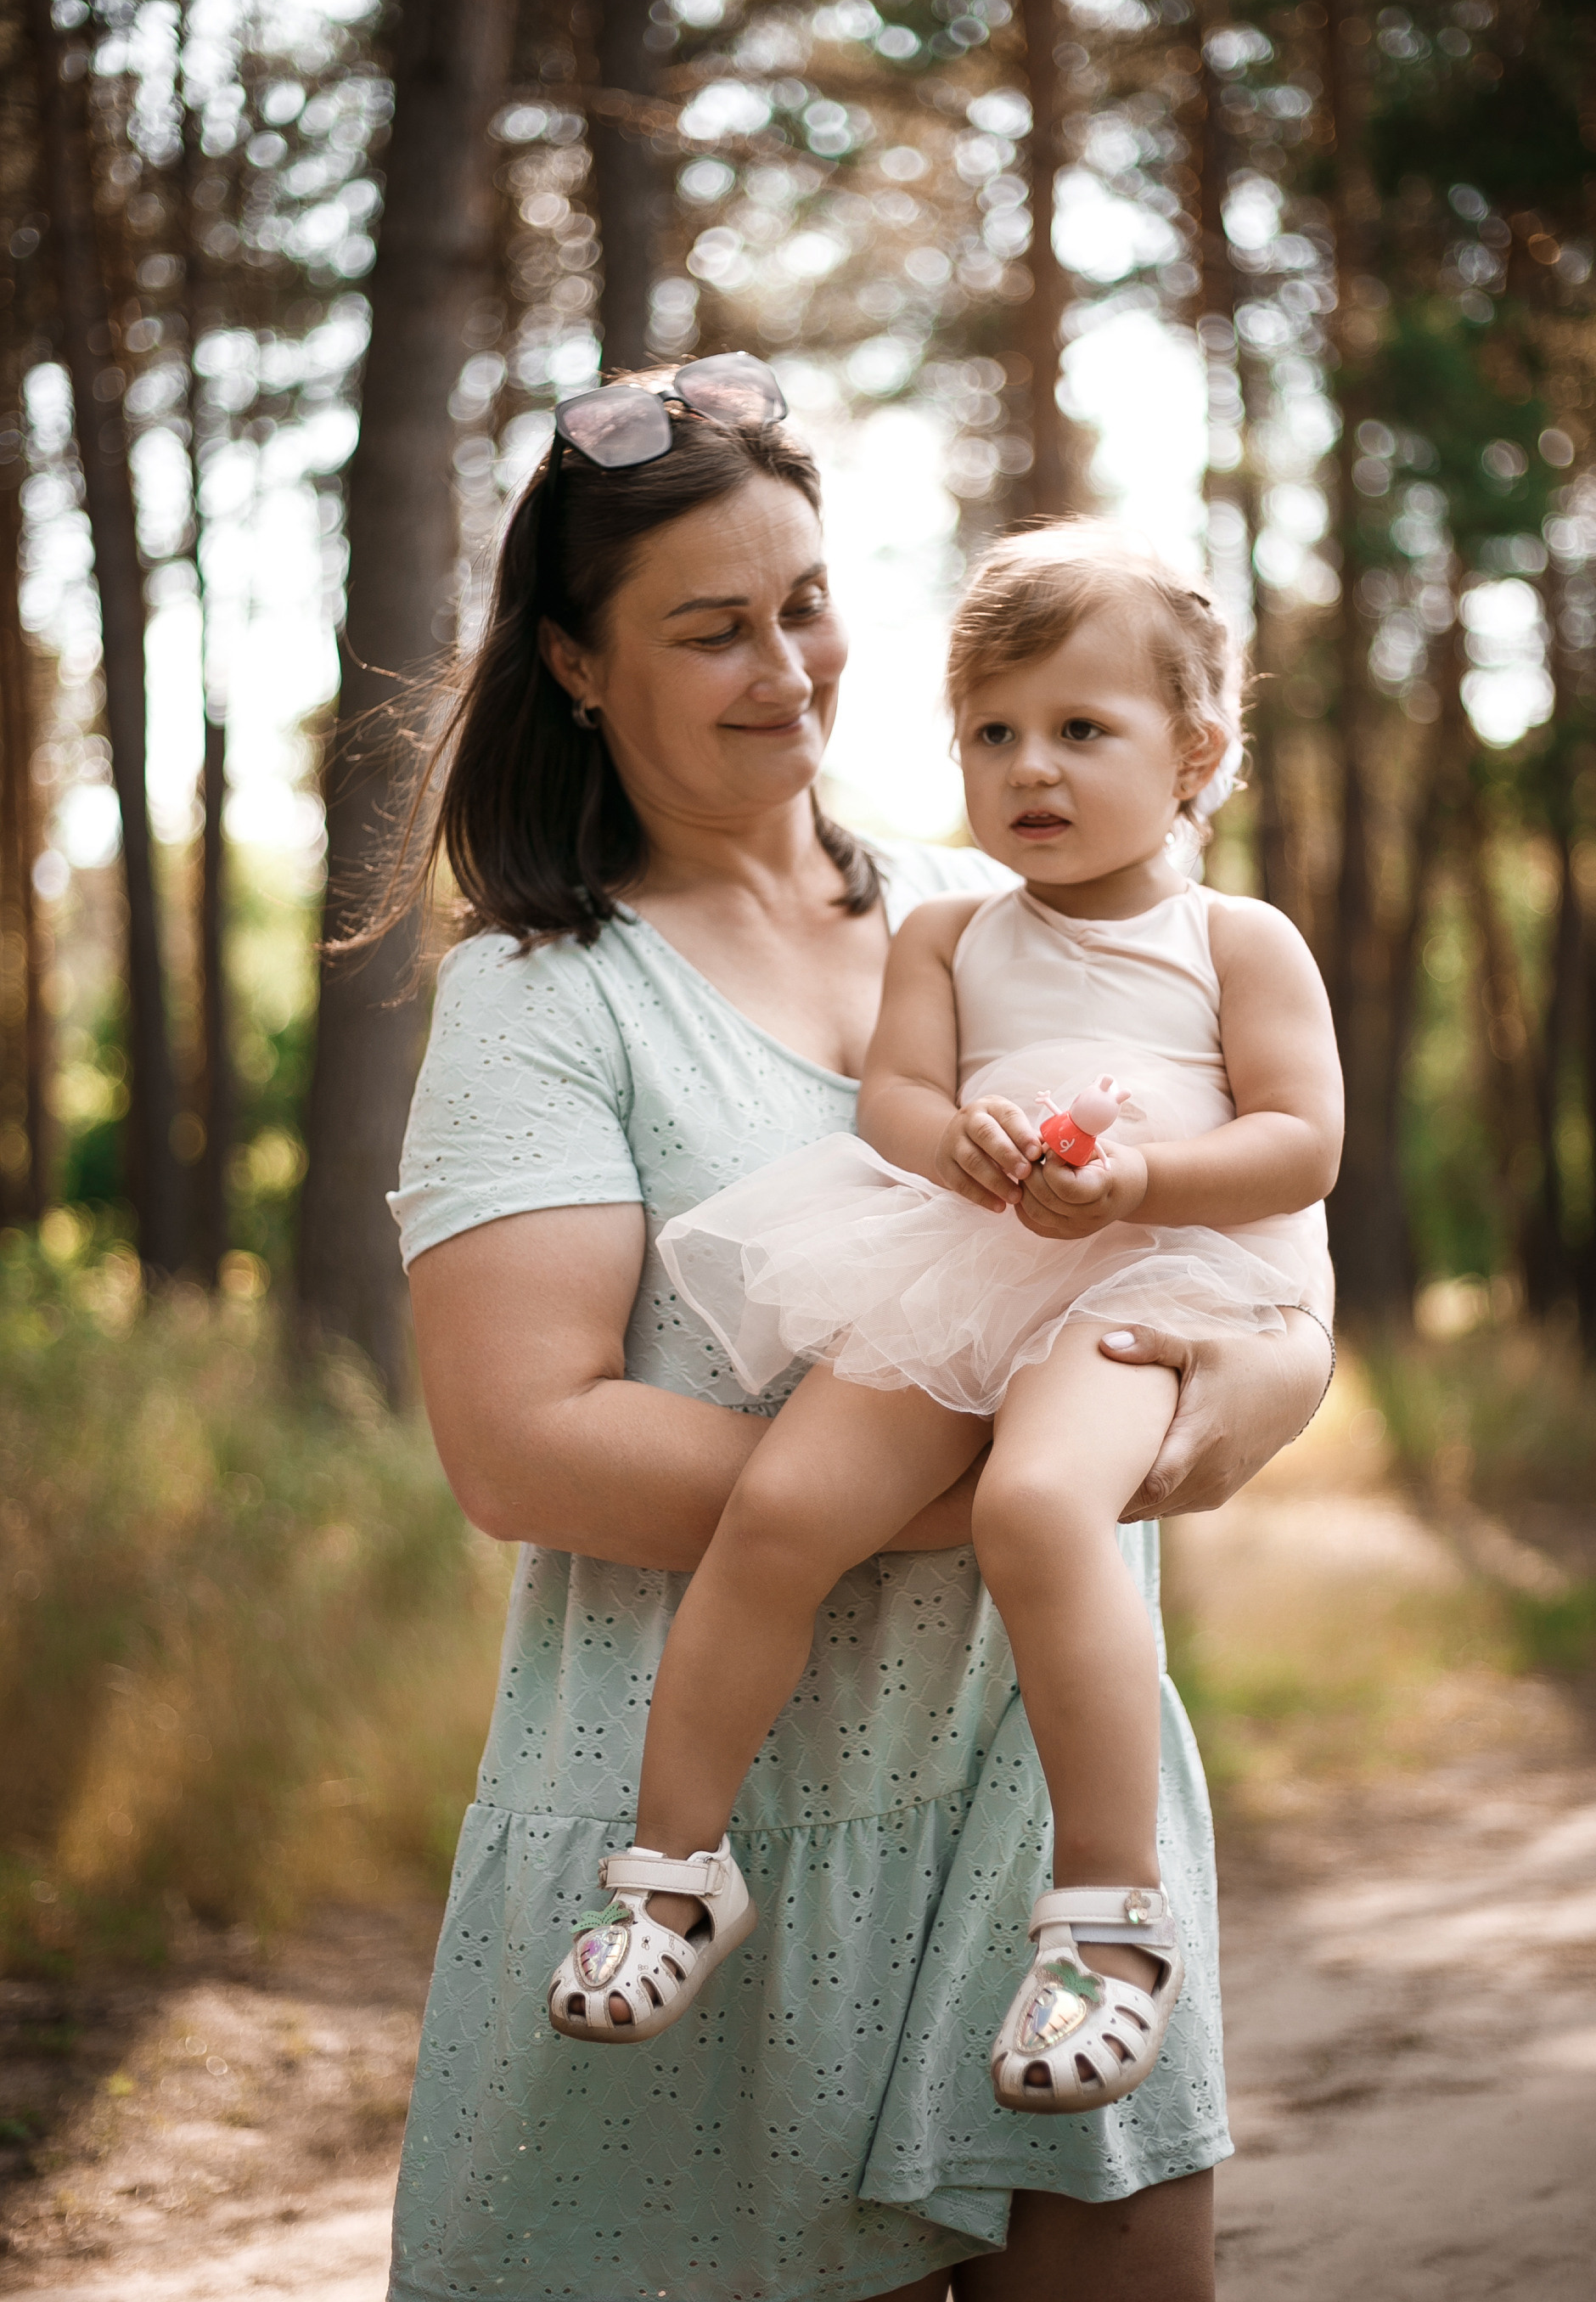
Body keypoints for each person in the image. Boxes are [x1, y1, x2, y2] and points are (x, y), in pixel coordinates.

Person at [383, 355, 1336, 2302]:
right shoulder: (548, 995)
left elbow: (1264, 1252)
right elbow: (519, 1447)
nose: (786, 667)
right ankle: (672, 1891)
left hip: (1037, 1789)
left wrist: (1259, 1388)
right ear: (575, 664)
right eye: (712, 630)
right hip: (763, 1808)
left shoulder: (991, 906)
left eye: (806, 603)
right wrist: (992, 1490)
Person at [549, 526, 1340, 2124]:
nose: (1028, 770)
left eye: (1080, 731)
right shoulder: (951, 933)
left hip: (1158, 1274)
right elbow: (901, 1096)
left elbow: (1302, 1142)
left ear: (1197, 752)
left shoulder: (1232, 941)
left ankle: (1109, 1923)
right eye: (993, 732)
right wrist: (955, 1142)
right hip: (971, 1257)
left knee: (1040, 1509)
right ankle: (676, 1872)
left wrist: (1139, 1182)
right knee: (780, 1505)